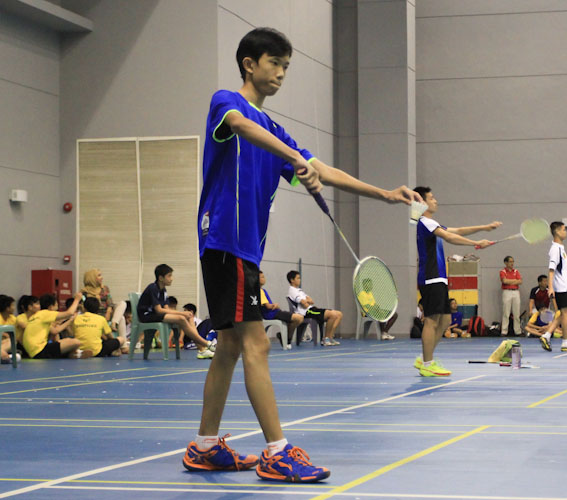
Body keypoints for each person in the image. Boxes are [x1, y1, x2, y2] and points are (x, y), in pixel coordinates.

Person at [181, 27, 421, 482]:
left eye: (287, 66)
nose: (281, 73)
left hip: (244, 250)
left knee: (231, 345)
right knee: (255, 343)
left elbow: (323, 171)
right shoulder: (226, 101)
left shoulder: (276, 129)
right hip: (225, 241)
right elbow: (239, 126)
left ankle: (205, 445)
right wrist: (296, 158)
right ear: (250, 64)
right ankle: (277, 451)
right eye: (275, 63)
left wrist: (385, 194)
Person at [412, 186, 498, 376]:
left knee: (445, 320)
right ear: (422, 202)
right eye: (432, 198)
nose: (436, 200)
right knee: (432, 321)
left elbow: (457, 230)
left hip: (439, 278)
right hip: (431, 277)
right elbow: (450, 236)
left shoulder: (431, 223)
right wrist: (476, 244)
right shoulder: (424, 222)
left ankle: (425, 358)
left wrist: (483, 228)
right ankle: (427, 364)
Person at [137, 264, 214, 359]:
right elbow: (159, 310)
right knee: (181, 318)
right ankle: (205, 343)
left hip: (156, 314)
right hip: (146, 315)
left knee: (189, 316)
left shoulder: (163, 290)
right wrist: (182, 313)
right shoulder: (153, 288)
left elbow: (166, 309)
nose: (172, 278)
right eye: (169, 276)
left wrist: (185, 314)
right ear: (161, 278)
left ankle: (201, 349)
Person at [539, 221, 567, 352]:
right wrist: (550, 287)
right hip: (561, 287)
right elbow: (551, 270)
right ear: (557, 232)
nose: (565, 232)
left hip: (565, 284)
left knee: (562, 314)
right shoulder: (555, 249)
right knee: (566, 314)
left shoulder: (560, 248)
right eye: (563, 229)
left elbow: (563, 269)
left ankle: (546, 335)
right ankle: (565, 343)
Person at [17, 293, 84, 359]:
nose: (57, 307)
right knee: (76, 342)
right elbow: (69, 313)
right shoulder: (44, 313)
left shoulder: (36, 317)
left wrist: (70, 320)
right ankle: (75, 353)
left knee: (67, 340)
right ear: (51, 307)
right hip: (40, 351)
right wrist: (77, 299)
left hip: (33, 352)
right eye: (56, 304)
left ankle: (75, 354)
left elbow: (55, 331)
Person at [287, 270, 343, 347]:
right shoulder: (292, 291)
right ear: (292, 280)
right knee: (332, 315)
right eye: (298, 278)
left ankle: (330, 337)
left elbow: (311, 301)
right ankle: (325, 339)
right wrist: (306, 301)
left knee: (339, 314)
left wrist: (306, 301)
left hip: (312, 309)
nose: (299, 280)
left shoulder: (299, 290)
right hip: (307, 312)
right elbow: (304, 304)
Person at [260, 270, 303, 349]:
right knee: (298, 318)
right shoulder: (259, 291)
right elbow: (268, 306)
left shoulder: (263, 290)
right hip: (271, 314)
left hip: (275, 313)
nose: (264, 278)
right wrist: (275, 305)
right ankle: (288, 339)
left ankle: (284, 337)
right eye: (262, 277)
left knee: (297, 318)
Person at [499, 255, 522, 336]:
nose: (512, 263)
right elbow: (504, 281)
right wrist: (514, 281)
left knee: (516, 313)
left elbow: (520, 281)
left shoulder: (516, 271)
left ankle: (518, 331)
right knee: (506, 312)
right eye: (510, 261)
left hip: (516, 292)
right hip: (507, 292)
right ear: (505, 263)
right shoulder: (502, 272)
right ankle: (504, 331)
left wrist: (510, 281)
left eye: (513, 261)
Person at [0, 295, 20, 365]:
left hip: (2, 343)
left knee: (12, 340)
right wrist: (5, 334)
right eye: (12, 305)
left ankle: (2, 352)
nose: (14, 308)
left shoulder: (12, 318)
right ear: (7, 308)